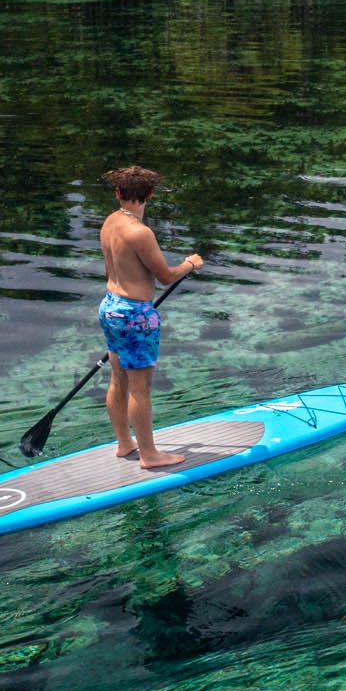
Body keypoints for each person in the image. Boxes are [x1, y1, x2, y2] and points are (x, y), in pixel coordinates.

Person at [98, 166, 204, 468]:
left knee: (118, 379)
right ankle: (149, 454)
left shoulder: (110, 221)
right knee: (139, 388)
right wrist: (190, 264)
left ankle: (124, 444)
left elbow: (109, 269)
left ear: (118, 193)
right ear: (150, 194)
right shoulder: (140, 232)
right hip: (134, 315)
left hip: (110, 305)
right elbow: (166, 276)